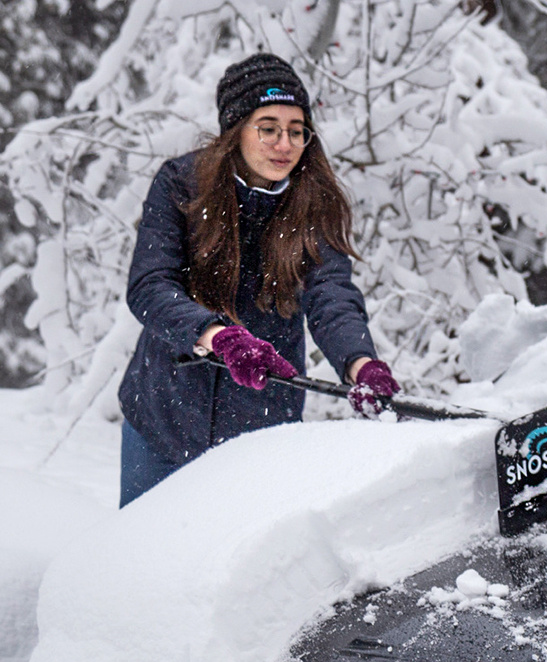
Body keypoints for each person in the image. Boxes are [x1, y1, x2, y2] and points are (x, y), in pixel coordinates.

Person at [117, 53, 399, 508]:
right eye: (267, 127)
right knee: (144, 562)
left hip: (259, 426)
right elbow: (150, 286)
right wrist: (217, 336)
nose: (283, 143)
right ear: (236, 131)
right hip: (163, 417)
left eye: (295, 130)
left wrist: (359, 362)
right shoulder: (180, 186)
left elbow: (331, 296)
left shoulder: (313, 202)